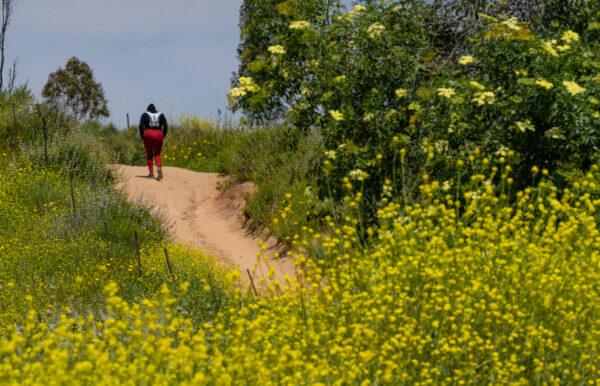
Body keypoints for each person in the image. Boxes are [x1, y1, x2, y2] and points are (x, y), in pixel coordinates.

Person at [139, 103, 168, 180]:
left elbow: (141, 126)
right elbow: (165, 126)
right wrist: (163, 135)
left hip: (148, 134)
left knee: (149, 153)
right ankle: (159, 168)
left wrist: (143, 136)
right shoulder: (161, 114)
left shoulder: (144, 114)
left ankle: (151, 173)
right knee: (157, 153)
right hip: (159, 134)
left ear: (148, 109)